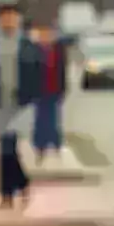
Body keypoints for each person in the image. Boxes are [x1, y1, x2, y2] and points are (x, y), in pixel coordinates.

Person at [0, 3, 42, 209]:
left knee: (8, 147)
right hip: (0, 104)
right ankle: (17, 187)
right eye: (4, 17)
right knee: (7, 148)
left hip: (21, 105)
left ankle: (10, 193)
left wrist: (33, 95)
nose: (8, 21)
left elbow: (37, 74)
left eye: (12, 17)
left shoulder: (29, 46)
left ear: (18, 20)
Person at [31, 24, 67, 164]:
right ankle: (40, 147)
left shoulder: (58, 50)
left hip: (54, 89)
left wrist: (63, 88)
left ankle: (56, 145)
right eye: (43, 34)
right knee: (40, 119)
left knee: (54, 118)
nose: (46, 37)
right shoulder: (35, 50)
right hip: (40, 90)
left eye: (48, 34)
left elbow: (62, 70)